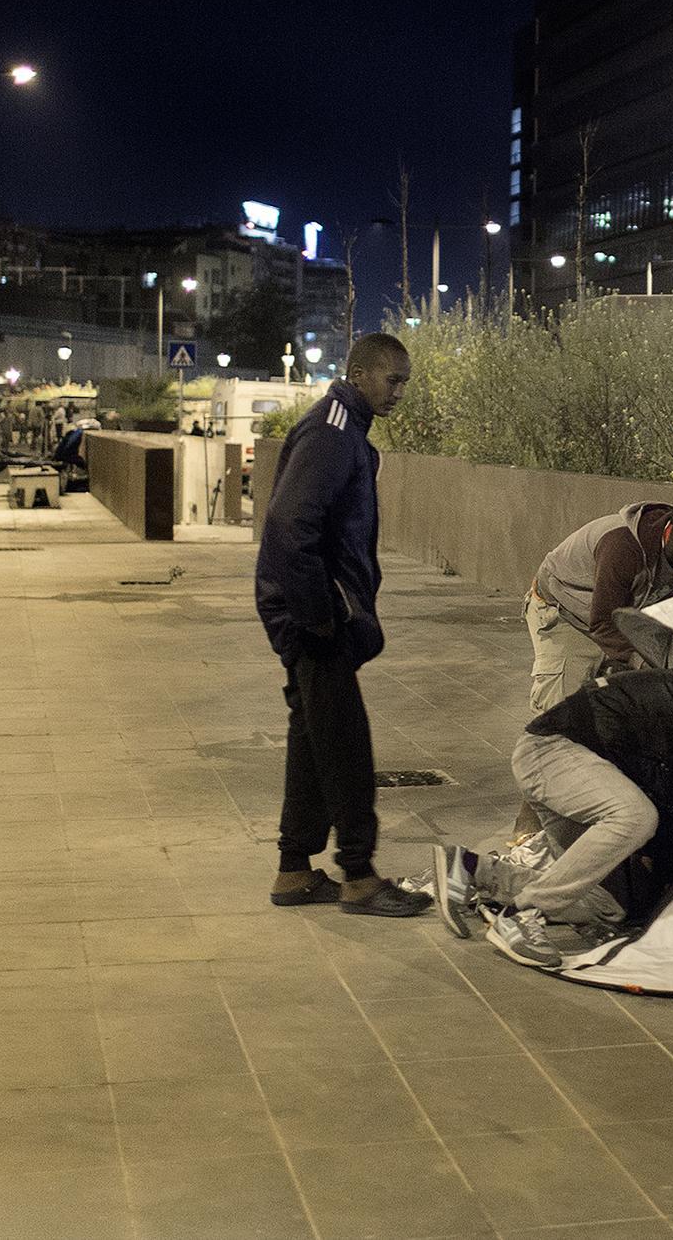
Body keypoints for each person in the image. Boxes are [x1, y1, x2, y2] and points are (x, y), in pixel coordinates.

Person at [253, 331, 431, 918]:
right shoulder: (333, 429)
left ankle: (293, 871)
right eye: (391, 379)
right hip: (313, 617)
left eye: (405, 381)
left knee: (313, 736)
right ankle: (358, 875)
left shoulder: (346, 429)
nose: (399, 392)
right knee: (346, 744)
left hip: (314, 612)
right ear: (358, 374)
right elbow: (289, 523)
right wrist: (322, 616)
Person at [434, 663, 673, 968]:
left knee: (607, 905)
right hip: (551, 750)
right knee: (635, 817)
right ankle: (522, 913)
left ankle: (473, 869)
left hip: (560, 760)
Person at [524, 494, 673, 712]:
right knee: (564, 710)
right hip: (566, 613)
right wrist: (644, 663)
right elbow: (603, 624)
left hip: (617, 615)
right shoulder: (622, 546)